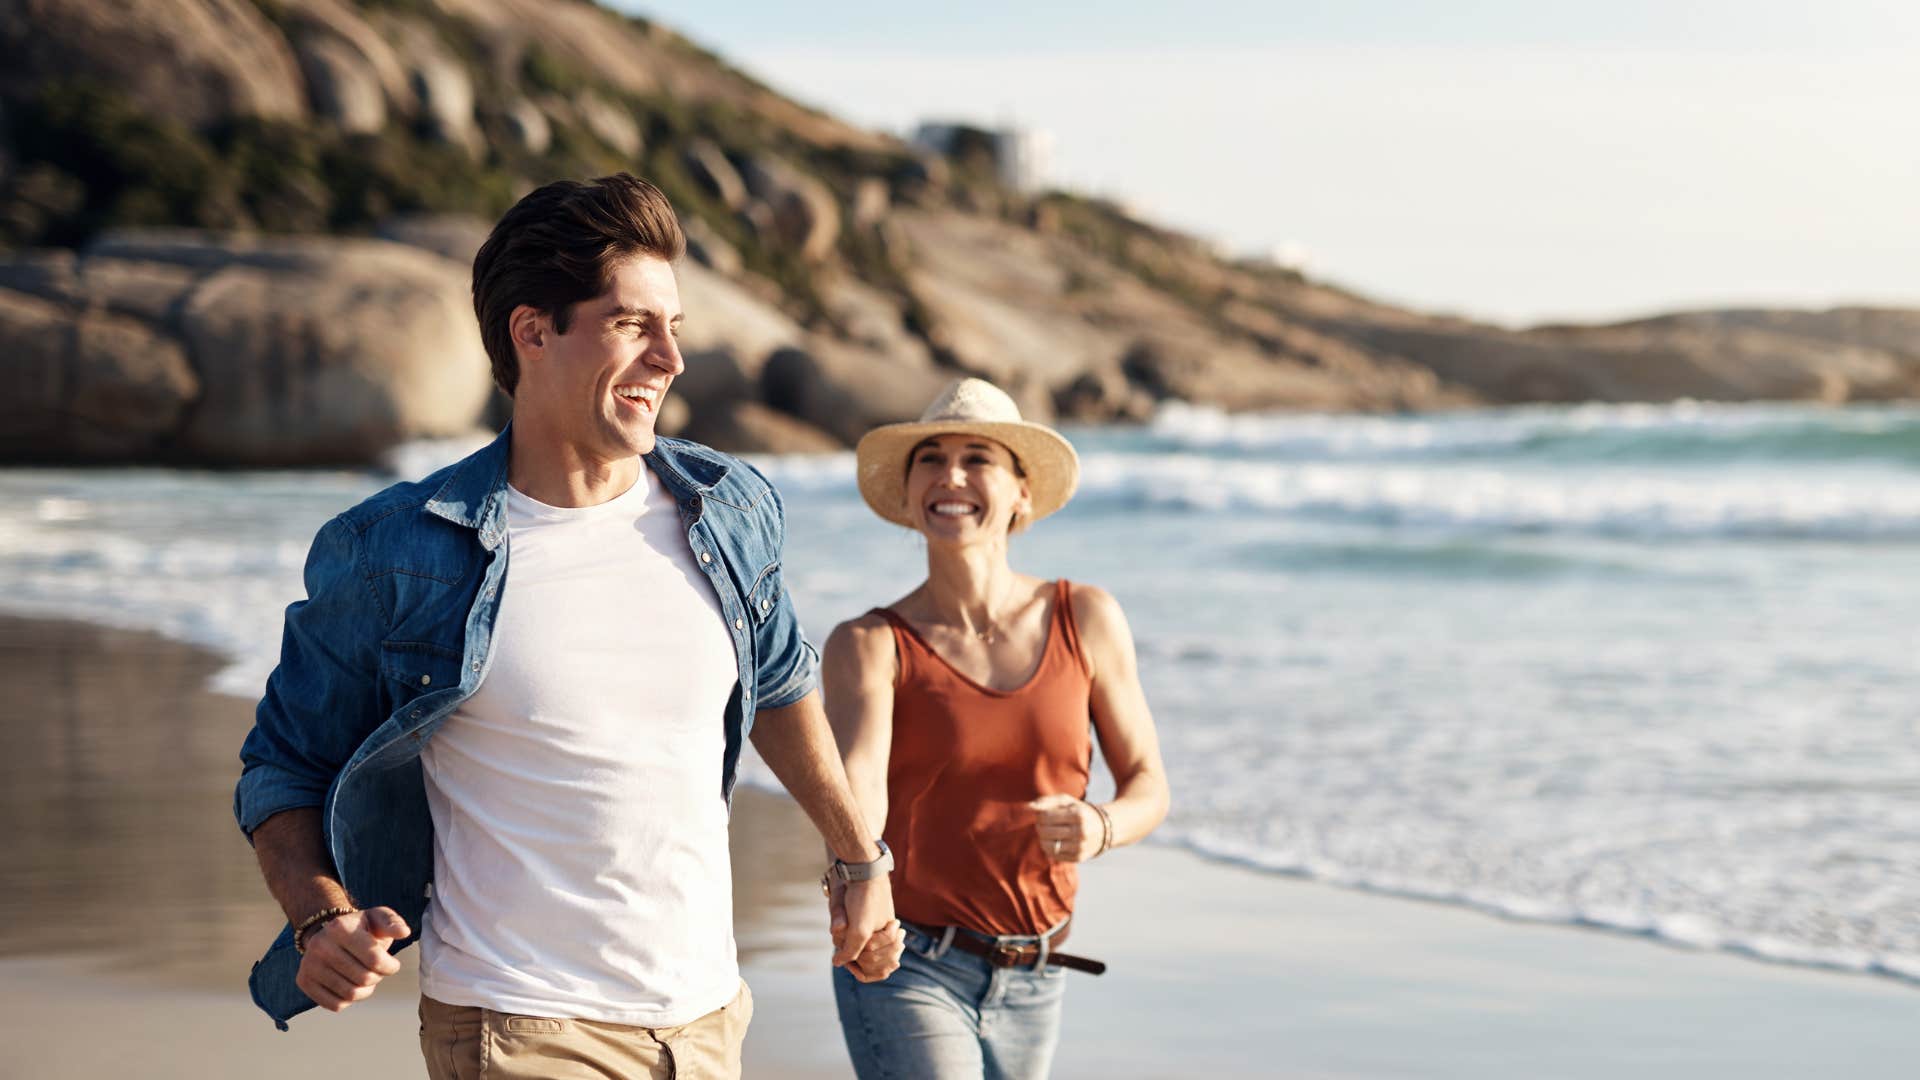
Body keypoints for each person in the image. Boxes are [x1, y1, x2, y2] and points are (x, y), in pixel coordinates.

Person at [232, 174, 903, 1079]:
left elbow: (779, 684)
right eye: (633, 325)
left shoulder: (728, 506)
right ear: (533, 330)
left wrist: (861, 862)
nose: (669, 357)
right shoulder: (393, 551)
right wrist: (320, 916)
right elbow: (285, 766)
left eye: (675, 328)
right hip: (520, 1023)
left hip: (705, 1019)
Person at [822, 378, 1171, 1078]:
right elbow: (860, 783)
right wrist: (855, 875)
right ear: (911, 493)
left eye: (977, 457)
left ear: (1021, 493)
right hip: (909, 960)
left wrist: (1102, 826)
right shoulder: (869, 643)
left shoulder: (1088, 618)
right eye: (931, 458)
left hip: (1039, 971)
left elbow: (1148, 785)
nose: (951, 475)